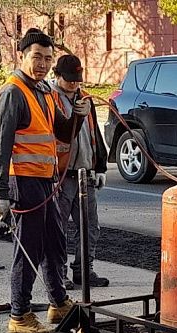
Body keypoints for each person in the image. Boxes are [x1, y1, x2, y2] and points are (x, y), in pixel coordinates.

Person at [0, 28, 89, 333]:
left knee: (55, 243)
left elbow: (61, 131)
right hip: (23, 183)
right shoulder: (13, 92)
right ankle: (19, 315)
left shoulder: (43, 91)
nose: (43, 63)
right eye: (37, 57)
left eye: (47, 58)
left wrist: (79, 116)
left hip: (45, 182)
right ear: (22, 56)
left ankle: (58, 302)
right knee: (29, 249)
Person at [50, 54, 110, 289]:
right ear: (57, 76)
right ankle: (59, 273)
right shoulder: (50, 99)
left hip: (85, 173)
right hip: (63, 175)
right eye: (69, 79)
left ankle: (84, 271)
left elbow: (95, 134)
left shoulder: (86, 99)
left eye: (77, 79)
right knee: (59, 227)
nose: (74, 83)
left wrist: (100, 167)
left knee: (90, 226)